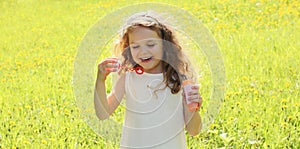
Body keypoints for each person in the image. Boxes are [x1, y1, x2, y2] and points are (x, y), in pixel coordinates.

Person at [94, 11, 202, 149]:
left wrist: (192, 107)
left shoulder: (179, 79)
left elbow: (194, 131)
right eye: (135, 46)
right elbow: (103, 113)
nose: (143, 52)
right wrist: (100, 81)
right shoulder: (127, 77)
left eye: (151, 45)